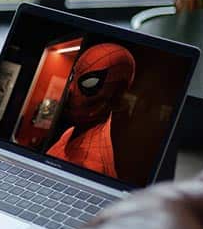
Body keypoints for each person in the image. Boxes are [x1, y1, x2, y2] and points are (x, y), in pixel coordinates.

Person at [46, 43, 136, 177]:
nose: (70, 89)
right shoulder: (71, 132)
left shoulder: (92, 164)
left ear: (116, 95)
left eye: (90, 83)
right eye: (72, 77)